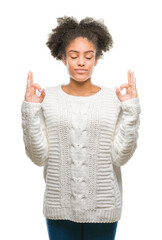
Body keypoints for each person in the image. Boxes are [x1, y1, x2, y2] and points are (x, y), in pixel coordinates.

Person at [21, 16, 141, 240]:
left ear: (96, 59)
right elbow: (38, 157)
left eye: (88, 56)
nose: (81, 62)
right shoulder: (46, 98)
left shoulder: (113, 99)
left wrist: (131, 110)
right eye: (74, 56)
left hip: (104, 207)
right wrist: (31, 110)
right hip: (59, 207)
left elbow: (120, 157)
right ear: (63, 57)